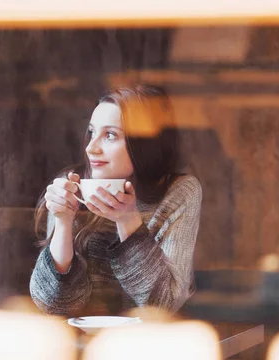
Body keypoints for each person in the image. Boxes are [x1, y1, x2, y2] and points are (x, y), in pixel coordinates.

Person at [29, 85, 202, 317]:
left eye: (110, 135)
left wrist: (128, 221)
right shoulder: (71, 186)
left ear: (143, 144)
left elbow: (163, 306)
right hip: (81, 345)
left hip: (153, 346)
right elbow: (54, 304)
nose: (91, 148)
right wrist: (63, 222)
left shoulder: (178, 193)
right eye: (91, 132)